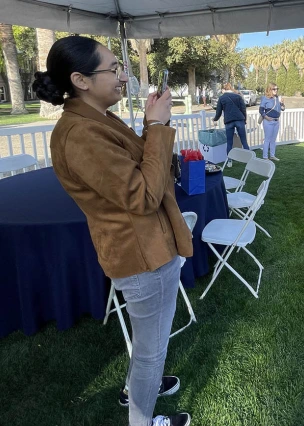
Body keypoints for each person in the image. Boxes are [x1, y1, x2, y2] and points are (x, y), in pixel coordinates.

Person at [32, 36, 192, 425]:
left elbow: (139, 168)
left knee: (148, 342)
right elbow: (142, 196)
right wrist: (155, 127)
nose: (122, 78)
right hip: (142, 257)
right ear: (81, 80)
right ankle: (142, 417)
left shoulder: (99, 119)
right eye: (113, 69)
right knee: (152, 350)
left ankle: (140, 384)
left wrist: (154, 127)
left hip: (150, 248)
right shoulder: (80, 134)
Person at [212, 82, 250, 164]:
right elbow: (243, 109)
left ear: (223, 89)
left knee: (229, 142)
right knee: (244, 141)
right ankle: (248, 159)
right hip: (240, 119)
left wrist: (215, 119)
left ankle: (229, 161)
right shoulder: (238, 96)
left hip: (229, 121)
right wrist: (244, 119)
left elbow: (218, 112)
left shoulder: (222, 98)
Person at [259, 82, 285, 161]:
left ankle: (272, 155)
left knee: (273, 139)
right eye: (274, 89)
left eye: (277, 89)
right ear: (270, 89)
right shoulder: (265, 98)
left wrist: (282, 103)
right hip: (268, 121)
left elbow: (283, 109)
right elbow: (261, 109)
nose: (276, 90)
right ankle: (265, 156)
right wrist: (266, 117)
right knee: (267, 139)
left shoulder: (277, 98)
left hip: (276, 121)